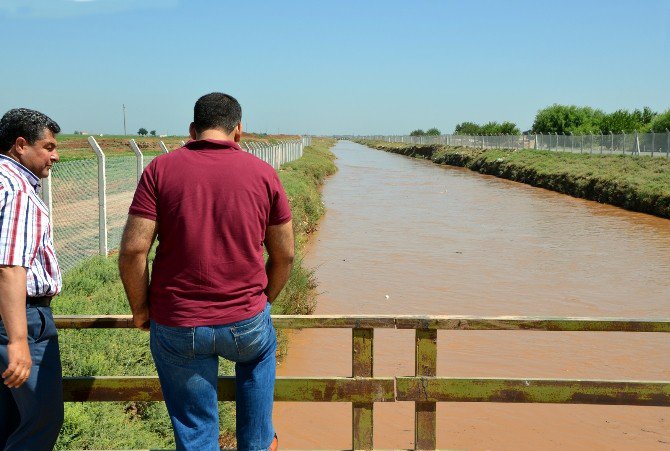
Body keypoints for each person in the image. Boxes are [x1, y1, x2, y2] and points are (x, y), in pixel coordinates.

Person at [119, 93, 294, 451]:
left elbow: (134, 250)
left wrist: (141, 310)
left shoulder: (159, 169)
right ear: (239, 131)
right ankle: (259, 440)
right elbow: (285, 255)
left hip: (178, 322)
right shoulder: (263, 173)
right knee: (260, 354)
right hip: (246, 321)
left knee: (196, 432)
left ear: (192, 130)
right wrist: (263, 300)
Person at [0, 108, 63, 450]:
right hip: (22, 317)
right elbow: (10, 266)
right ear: (21, 145)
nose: (55, 155)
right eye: (49, 146)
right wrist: (18, 339)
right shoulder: (19, 191)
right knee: (41, 421)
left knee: (9, 422)